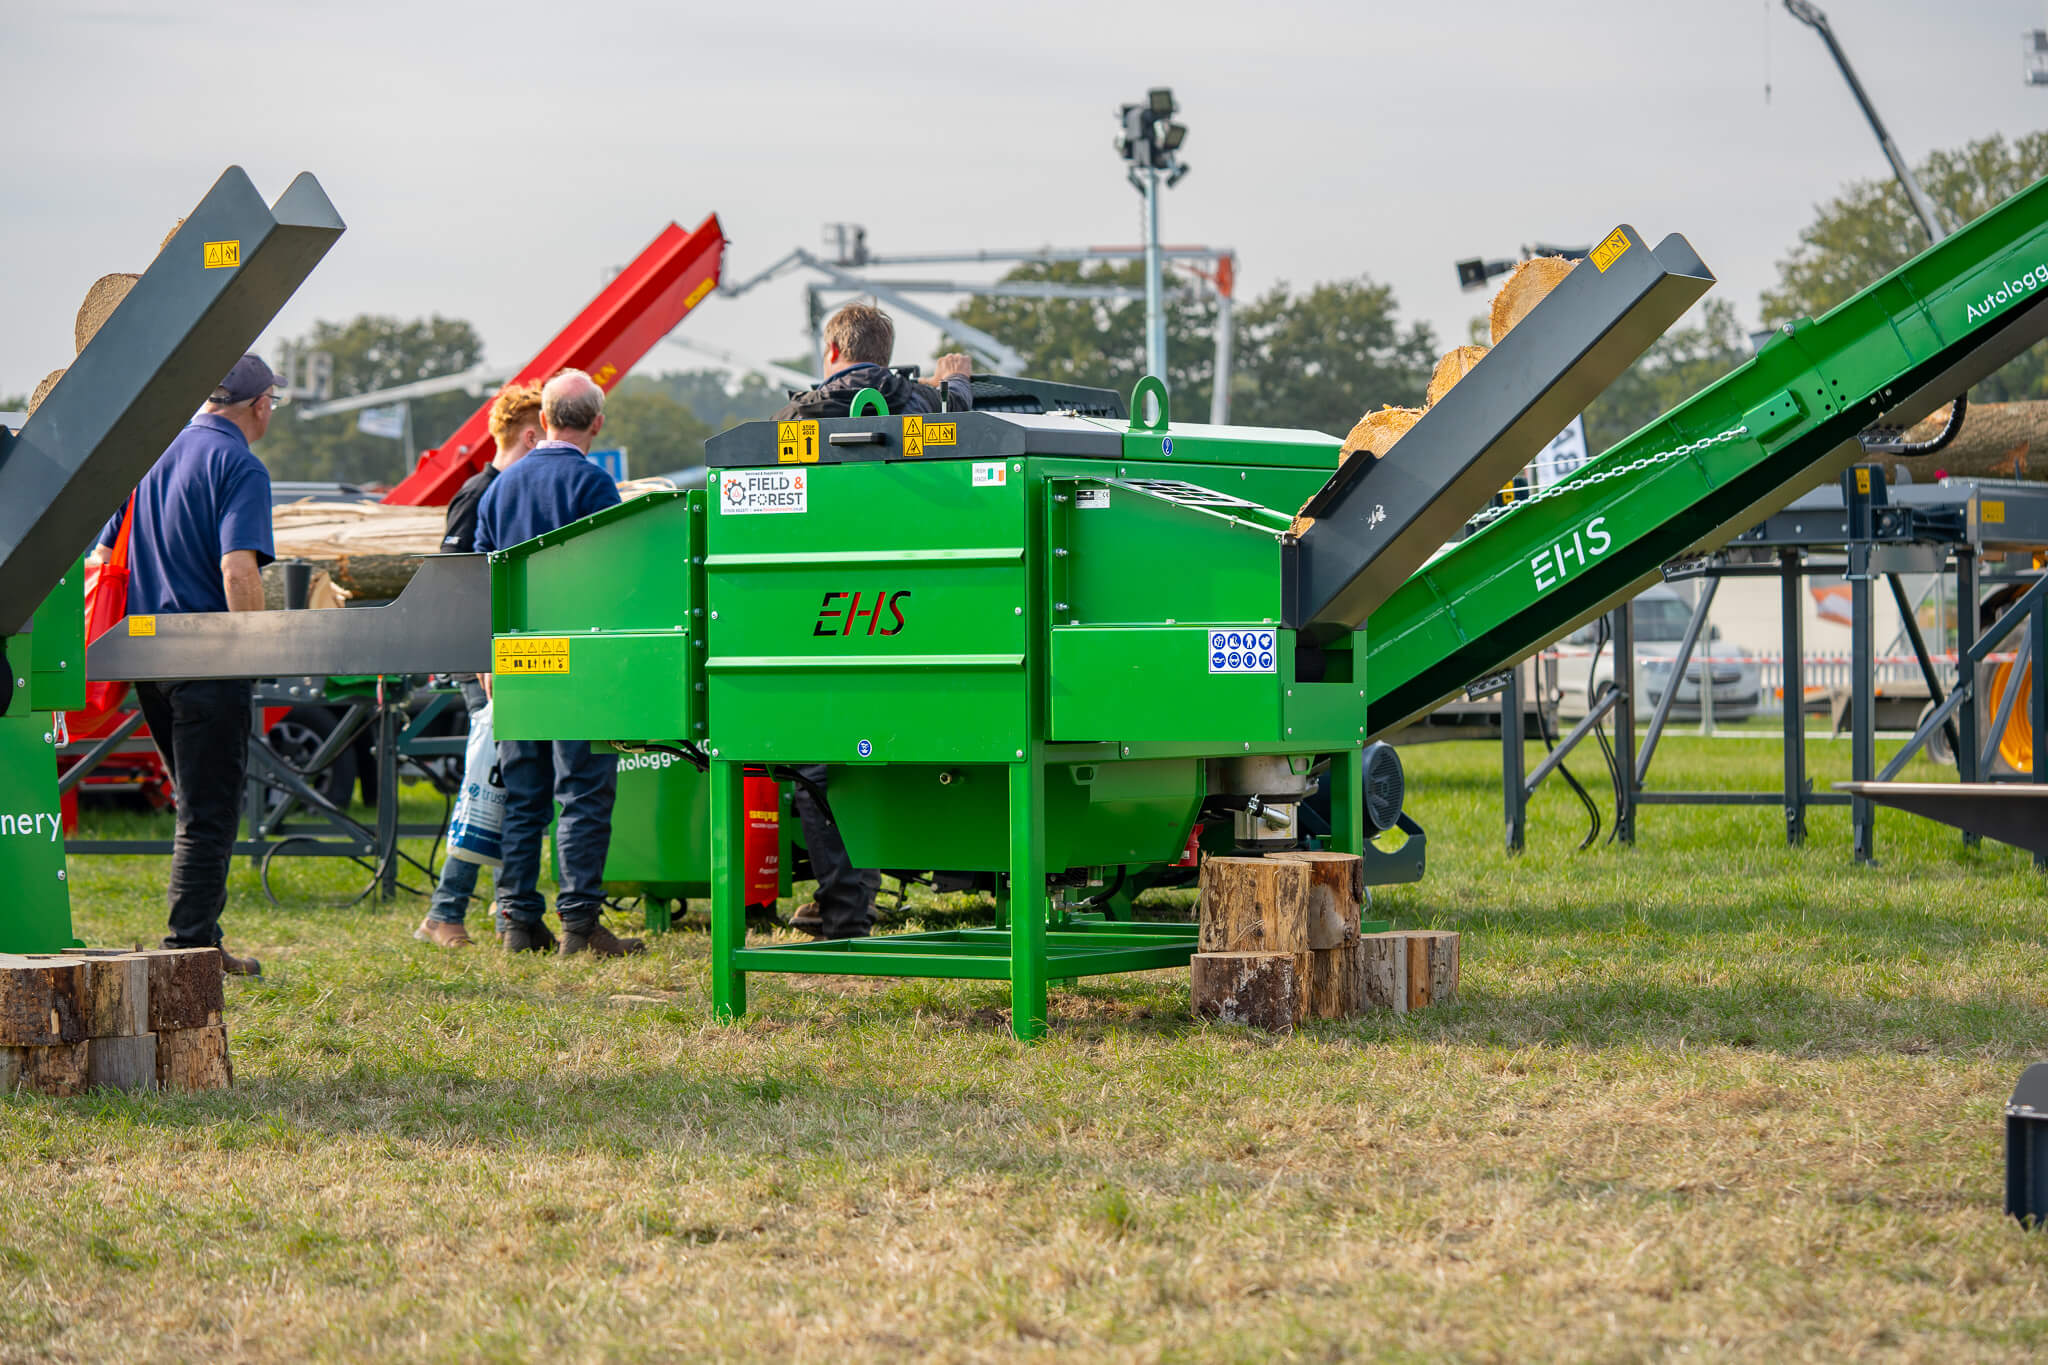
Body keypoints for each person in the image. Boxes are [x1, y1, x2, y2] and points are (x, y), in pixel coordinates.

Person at [773, 305, 974, 941]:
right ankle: (855, 897)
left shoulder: (800, 416)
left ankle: (843, 909)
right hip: (915, 610)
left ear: (833, 350)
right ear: (884, 352)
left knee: (823, 767)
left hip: (823, 612)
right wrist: (955, 386)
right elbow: (966, 451)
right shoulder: (925, 405)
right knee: (887, 755)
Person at [94, 354, 282, 975]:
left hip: (148, 655)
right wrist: (255, 649)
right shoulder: (239, 465)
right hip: (209, 658)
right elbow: (238, 570)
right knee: (209, 809)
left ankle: (203, 938)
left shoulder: (150, 456)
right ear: (260, 405)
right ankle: (189, 950)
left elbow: (103, 554)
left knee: (194, 800)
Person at [474, 369, 642, 957]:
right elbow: (613, 578)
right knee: (583, 793)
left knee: (524, 795)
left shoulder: (501, 488)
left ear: (543, 420)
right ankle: (579, 925)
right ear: (597, 423)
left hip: (516, 660)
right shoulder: (594, 484)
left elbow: (481, 580)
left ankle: (518, 922)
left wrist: (487, 654)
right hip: (579, 660)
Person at [414, 381, 545, 948]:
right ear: (530, 435)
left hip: (504, 656)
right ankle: (445, 913)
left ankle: (503, 911)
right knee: (491, 784)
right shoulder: (479, 492)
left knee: (506, 783)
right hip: (482, 663)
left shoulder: (508, 489)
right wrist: (483, 655)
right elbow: (457, 585)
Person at [774, 302, 974, 421]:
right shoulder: (917, 399)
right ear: (884, 354)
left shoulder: (794, 414)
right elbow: (955, 403)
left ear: (833, 351)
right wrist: (955, 376)